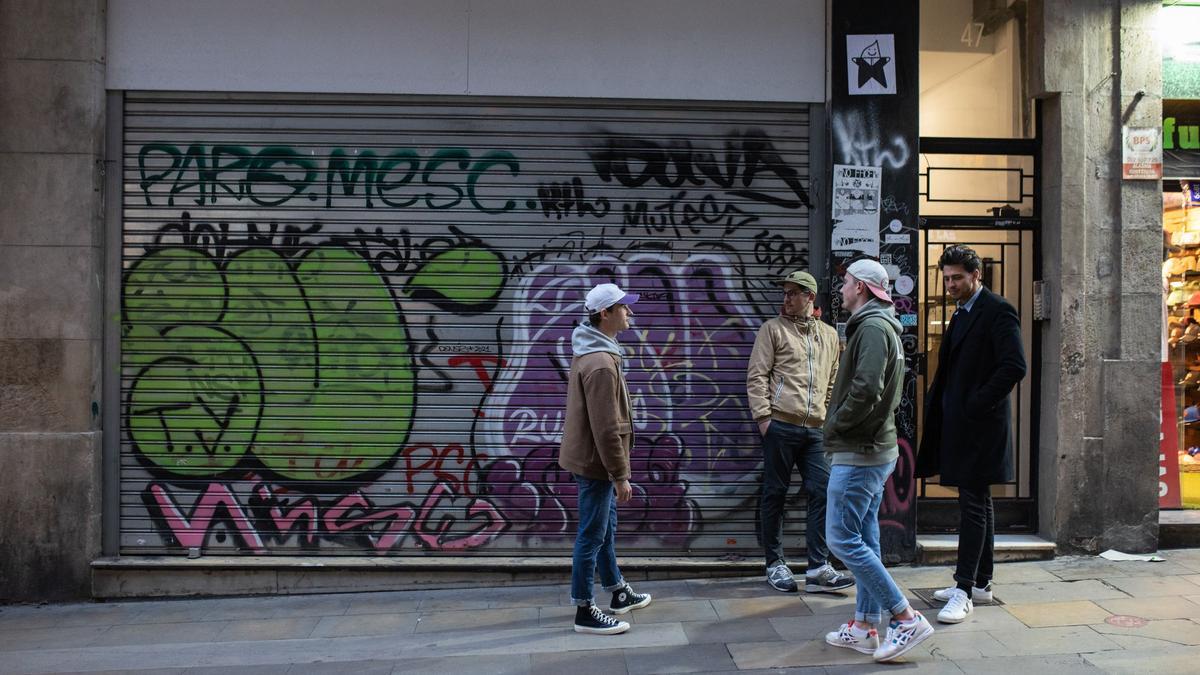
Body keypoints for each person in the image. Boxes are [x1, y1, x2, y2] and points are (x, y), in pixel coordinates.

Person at [822, 258, 934, 663]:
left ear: (863, 289)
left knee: (840, 538)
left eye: (847, 283)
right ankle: (866, 625)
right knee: (865, 538)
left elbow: (867, 388)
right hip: (875, 448)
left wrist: (835, 424)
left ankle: (904, 617)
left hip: (860, 451)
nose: (841, 289)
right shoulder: (883, 325)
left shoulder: (870, 327)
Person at [916, 245, 1027, 624]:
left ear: (976, 275)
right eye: (946, 278)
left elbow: (1014, 366)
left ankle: (963, 589)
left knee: (973, 508)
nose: (950, 284)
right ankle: (980, 583)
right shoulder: (961, 314)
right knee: (978, 503)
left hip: (980, 427)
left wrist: (976, 404)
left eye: (957, 278)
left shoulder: (997, 310)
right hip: (963, 426)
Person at [746, 270, 854, 594]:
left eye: (794, 293)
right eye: (786, 293)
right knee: (774, 494)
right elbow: (757, 376)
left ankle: (818, 568)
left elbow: (834, 382)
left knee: (823, 492)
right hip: (781, 425)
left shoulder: (829, 336)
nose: (787, 299)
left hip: (816, 430)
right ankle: (774, 564)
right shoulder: (773, 330)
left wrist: (828, 420)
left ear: (810, 297)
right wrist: (765, 419)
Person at [558, 282, 653, 635]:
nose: (630, 313)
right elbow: (605, 427)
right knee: (592, 533)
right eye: (623, 308)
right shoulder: (600, 363)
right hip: (597, 462)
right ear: (605, 314)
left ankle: (616, 591)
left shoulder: (600, 351)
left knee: (605, 529)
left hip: (594, 459)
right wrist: (619, 474)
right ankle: (584, 608)